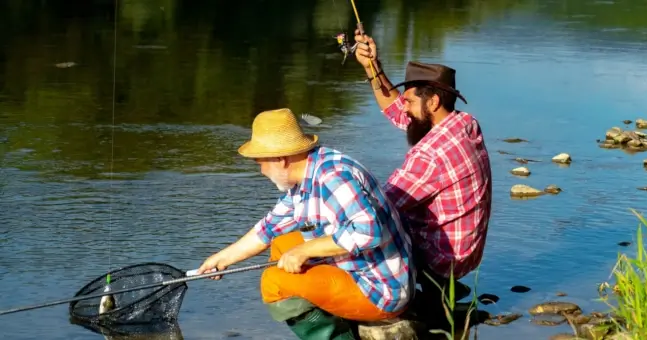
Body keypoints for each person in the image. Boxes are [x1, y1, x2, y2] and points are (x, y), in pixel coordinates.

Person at [196, 108, 414, 340]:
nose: (260, 170)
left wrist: (305, 250)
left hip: (380, 290)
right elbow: (268, 229)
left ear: (280, 159)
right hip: (357, 269)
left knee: (274, 283)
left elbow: (369, 233)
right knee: (281, 244)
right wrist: (222, 259)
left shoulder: (333, 177)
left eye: (259, 161)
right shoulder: (308, 174)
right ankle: (334, 315)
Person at [352, 30, 493, 305]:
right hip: (467, 252)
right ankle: (435, 292)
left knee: (365, 227)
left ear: (433, 102)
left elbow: (376, 210)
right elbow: (396, 107)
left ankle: (396, 303)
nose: (403, 109)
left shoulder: (430, 154)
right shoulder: (464, 124)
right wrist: (372, 67)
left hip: (443, 260)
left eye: (410, 101)